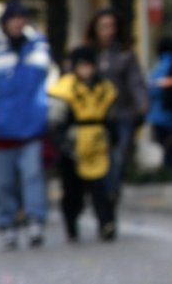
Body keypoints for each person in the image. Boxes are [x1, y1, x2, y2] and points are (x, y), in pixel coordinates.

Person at [0, 0, 54, 249]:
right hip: (0, 128)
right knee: (3, 182)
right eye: (14, 18)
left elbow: (51, 75)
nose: (18, 22)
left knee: (33, 176)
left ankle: (35, 221)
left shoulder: (38, 45)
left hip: (32, 125)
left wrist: (49, 105)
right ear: (5, 22)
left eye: (22, 17)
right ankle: (7, 224)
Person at [47, 46, 118, 242]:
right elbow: (56, 120)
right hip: (73, 144)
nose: (86, 70)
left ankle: (106, 223)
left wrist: (112, 136)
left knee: (102, 189)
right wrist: (62, 144)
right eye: (82, 66)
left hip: (97, 143)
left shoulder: (103, 88)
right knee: (72, 191)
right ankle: (71, 225)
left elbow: (110, 116)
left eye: (89, 66)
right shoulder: (65, 89)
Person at [84, 7, 147, 201]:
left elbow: (135, 81)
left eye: (111, 26)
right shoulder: (88, 55)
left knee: (117, 156)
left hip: (122, 113)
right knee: (101, 156)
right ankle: (101, 192)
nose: (108, 31)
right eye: (103, 26)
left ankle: (111, 191)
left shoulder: (125, 54)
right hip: (96, 116)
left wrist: (142, 103)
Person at [146, 36, 172, 170]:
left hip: (160, 113)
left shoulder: (161, 65)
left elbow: (152, 88)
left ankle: (169, 168)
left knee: (166, 145)